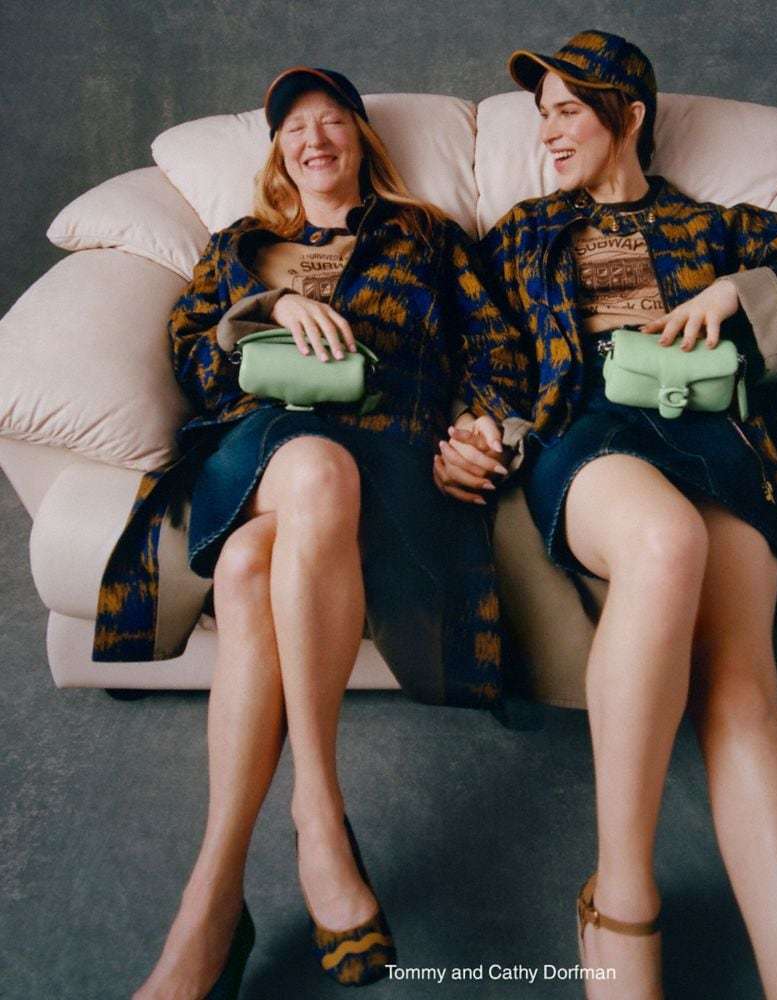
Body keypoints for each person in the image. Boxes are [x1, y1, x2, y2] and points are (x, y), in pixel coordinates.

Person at [434, 30, 777, 1000]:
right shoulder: (519, 235)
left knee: (744, 693)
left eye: (568, 110)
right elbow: (489, 357)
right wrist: (478, 427)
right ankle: (621, 895)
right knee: (664, 539)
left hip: (712, 436)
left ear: (628, 115)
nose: (548, 131)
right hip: (589, 431)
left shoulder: (719, 227)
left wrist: (735, 292)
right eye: (542, 114)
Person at [92, 66, 527, 998]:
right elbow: (189, 351)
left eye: (332, 122)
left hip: (389, 455)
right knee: (315, 471)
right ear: (279, 153)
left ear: (362, 140)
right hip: (256, 450)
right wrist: (267, 307)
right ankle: (319, 815)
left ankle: (211, 904)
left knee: (253, 566)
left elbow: (498, 351)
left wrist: (481, 426)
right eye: (295, 128)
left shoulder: (427, 237)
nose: (315, 139)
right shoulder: (242, 247)